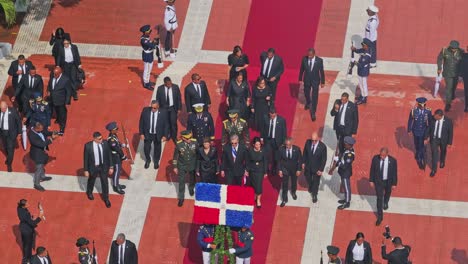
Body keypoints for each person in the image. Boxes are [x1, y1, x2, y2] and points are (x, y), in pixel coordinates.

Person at [83, 132, 114, 208]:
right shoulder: (88, 146)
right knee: (91, 180)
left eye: (101, 138)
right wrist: (86, 170)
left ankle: (106, 199)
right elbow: (85, 159)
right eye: (99, 139)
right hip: (94, 167)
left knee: (105, 183)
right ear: (94, 139)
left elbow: (109, 154)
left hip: (104, 167)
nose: (101, 140)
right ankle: (89, 192)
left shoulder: (105, 143)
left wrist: (111, 166)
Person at [370, 147, 397, 225]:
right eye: (380, 155)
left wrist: (394, 184)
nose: (381, 157)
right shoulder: (375, 159)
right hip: (378, 182)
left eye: (383, 156)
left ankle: (386, 202)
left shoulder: (393, 161)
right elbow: (372, 169)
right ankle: (380, 217)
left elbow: (395, 173)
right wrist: (371, 180)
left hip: (388, 182)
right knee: (379, 199)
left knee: (388, 193)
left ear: (387, 154)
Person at [139, 100, 169, 169]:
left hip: (158, 134)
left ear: (158, 106)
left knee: (157, 149)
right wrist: (141, 133)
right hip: (148, 134)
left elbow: (166, 125)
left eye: (154, 108)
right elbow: (141, 122)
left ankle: (156, 161)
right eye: (152, 107)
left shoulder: (164, 112)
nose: (153, 109)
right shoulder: (145, 110)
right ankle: (148, 160)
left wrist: (165, 135)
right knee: (146, 148)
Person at [28, 122, 57, 191]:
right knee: (39, 168)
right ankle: (36, 184)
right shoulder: (32, 136)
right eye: (41, 129)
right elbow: (42, 144)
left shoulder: (38, 129)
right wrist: (52, 139)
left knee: (42, 164)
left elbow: (45, 132)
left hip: (42, 152)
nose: (42, 130)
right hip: (37, 154)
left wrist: (53, 132)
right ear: (36, 128)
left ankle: (42, 176)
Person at [298, 48, 325, 120]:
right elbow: (301, 69)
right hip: (306, 80)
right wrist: (300, 78)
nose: (309, 57)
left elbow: (321, 71)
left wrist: (322, 82)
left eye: (310, 55)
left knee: (315, 96)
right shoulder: (304, 59)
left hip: (315, 81)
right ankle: (308, 102)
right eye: (308, 55)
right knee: (306, 92)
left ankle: (313, 112)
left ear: (314, 54)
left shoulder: (319, 61)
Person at [173, 130, 198, 207]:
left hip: (192, 164)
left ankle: (191, 188)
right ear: (183, 138)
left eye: (190, 137)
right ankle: (181, 198)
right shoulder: (178, 145)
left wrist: (197, 166)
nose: (189, 139)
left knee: (192, 179)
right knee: (181, 182)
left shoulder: (195, 142)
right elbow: (175, 156)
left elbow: (198, 154)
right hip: (182, 165)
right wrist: (175, 167)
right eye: (187, 138)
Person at [437, 40, 463, 112]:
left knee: (454, 86)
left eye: (455, 48)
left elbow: (464, 62)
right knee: (449, 88)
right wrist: (439, 68)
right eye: (452, 48)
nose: (453, 49)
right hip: (447, 73)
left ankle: (452, 94)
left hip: (457, 73)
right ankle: (448, 104)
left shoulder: (461, 52)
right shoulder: (445, 51)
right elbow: (439, 58)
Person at [426, 109, 453, 177]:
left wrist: (449, 143)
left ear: (440, 116)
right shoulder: (432, 119)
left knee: (443, 151)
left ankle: (442, 161)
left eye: (436, 116)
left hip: (443, 140)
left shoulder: (448, 121)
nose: (434, 117)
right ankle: (434, 170)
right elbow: (429, 128)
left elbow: (450, 133)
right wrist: (426, 137)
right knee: (434, 154)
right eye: (434, 115)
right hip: (434, 139)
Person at [302, 132, 327, 203]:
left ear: (318, 139)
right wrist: (303, 162)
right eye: (312, 140)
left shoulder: (322, 147)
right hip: (308, 166)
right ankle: (311, 185)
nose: (313, 142)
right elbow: (305, 153)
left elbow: (324, 159)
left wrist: (321, 169)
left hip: (317, 168)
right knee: (307, 177)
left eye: (315, 140)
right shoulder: (307, 142)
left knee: (316, 182)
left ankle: (314, 194)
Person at [260, 107, 286, 174]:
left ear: (276, 114)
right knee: (266, 154)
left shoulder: (281, 120)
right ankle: (266, 168)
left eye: (273, 116)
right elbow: (263, 128)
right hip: (268, 140)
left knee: (276, 156)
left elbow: (284, 132)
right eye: (271, 115)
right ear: (269, 114)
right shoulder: (265, 118)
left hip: (277, 141)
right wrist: (262, 138)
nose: (272, 117)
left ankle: (274, 168)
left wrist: (283, 142)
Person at [407, 97, 431, 169]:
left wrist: (429, 133)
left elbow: (430, 122)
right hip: (415, 131)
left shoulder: (428, 111)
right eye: (421, 106)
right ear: (418, 105)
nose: (423, 107)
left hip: (423, 131)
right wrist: (409, 129)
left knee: (421, 145)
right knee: (416, 144)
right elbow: (410, 120)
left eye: (424, 105)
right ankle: (418, 152)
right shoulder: (413, 111)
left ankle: (420, 160)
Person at [17, 199, 44, 264]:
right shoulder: (25, 214)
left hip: (24, 228)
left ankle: (27, 257)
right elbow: (33, 223)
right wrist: (40, 217)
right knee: (28, 245)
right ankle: (27, 260)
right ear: (23, 206)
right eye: (27, 204)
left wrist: (30, 218)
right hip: (27, 231)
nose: (28, 204)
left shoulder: (19, 208)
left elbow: (28, 220)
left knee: (26, 244)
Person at [156, 77, 181, 143]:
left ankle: (174, 137)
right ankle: (167, 135)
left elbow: (179, 98)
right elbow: (157, 99)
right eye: (168, 84)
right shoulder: (160, 89)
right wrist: (158, 109)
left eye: (170, 83)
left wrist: (179, 108)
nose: (170, 85)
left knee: (173, 123)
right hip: (164, 108)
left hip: (172, 108)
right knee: (166, 123)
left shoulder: (175, 87)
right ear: (165, 83)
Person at [47, 66, 72, 135]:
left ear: (60, 73)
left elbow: (68, 91)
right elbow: (49, 85)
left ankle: (62, 128)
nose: (54, 75)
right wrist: (48, 91)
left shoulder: (65, 80)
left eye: (56, 74)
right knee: (56, 110)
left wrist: (67, 102)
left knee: (62, 114)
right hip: (52, 99)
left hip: (61, 100)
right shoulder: (52, 76)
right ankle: (58, 119)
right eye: (54, 74)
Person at [277, 137, 302, 207]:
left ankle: (293, 192)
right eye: (286, 145)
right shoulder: (281, 149)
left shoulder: (297, 149)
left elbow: (300, 160)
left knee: (294, 182)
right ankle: (284, 199)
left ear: (292, 144)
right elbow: (278, 160)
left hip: (294, 169)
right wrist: (280, 170)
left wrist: (299, 169)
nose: (287, 146)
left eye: (289, 145)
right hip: (285, 169)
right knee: (285, 184)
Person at [106, 121, 128, 195]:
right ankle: (115, 186)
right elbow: (117, 149)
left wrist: (123, 145)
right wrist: (123, 157)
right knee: (116, 172)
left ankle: (117, 184)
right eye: (116, 129)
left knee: (118, 171)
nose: (117, 130)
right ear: (112, 130)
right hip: (115, 158)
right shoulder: (111, 139)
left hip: (117, 156)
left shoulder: (114, 135)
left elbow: (118, 144)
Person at [335, 136, 356, 209]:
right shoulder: (347, 150)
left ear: (349, 145)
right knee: (344, 186)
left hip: (345, 172)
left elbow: (344, 166)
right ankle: (345, 199)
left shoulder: (350, 154)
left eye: (346, 144)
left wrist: (338, 161)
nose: (344, 144)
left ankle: (347, 202)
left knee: (346, 187)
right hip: (343, 172)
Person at [0, 101, 21, 172]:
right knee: (5, 146)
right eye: (1, 109)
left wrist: (19, 132)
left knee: (10, 149)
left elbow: (18, 121)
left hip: (11, 133)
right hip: (2, 132)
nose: (2, 110)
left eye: (3, 109)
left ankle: (9, 164)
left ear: (6, 107)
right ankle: (9, 157)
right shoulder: (0, 111)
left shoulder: (13, 111)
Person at [246, 137, 268, 208]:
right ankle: (254, 196)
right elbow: (247, 161)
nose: (258, 146)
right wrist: (247, 170)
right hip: (252, 170)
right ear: (253, 144)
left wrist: (265, 172)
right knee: (252, 184)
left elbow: (265, 161)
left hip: (260, 171)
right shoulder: (250, 150)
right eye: (256, 145)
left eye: (259, 144)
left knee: (258, 186)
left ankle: (258, 200)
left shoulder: (263, 150)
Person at [353, 38, 372, 105]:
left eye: (363, 45)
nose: (362, 46)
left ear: (366, 46)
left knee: (363, 85)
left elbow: (361, 65)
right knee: (361, 84)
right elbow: (359, 51)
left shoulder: (367, 56)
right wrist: (354, 49)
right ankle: (362, 95)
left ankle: (364, 98)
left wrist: (354, 62)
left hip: (363, 72)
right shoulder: (365, 49)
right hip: (361, 71)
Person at [140, 24, 158, 89]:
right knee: (147, 70)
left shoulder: (146, 37)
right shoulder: (143, 40)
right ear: (145, 32)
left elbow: (151, 44)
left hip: (150, 54)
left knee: (149, 69)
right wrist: (155, 42)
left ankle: (148, 81)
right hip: (147, 55)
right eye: (149, 30)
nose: (150, 31)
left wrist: (154, 41)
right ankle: (146, 83)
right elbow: (152, 45)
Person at [460, 45, 468, 112]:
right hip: (466, 77)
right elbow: (461, 66)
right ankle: (466, 107)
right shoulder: (464, 56)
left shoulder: (464, 56)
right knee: (467, 92)